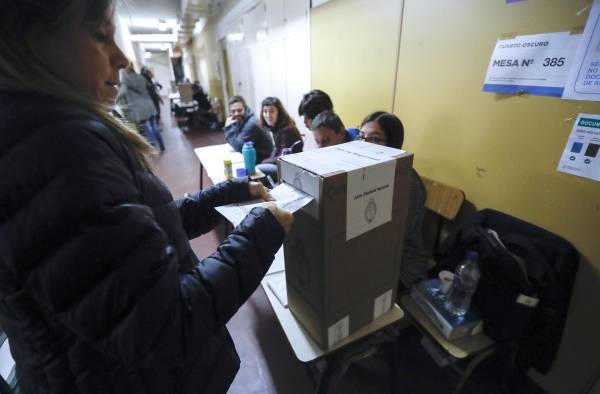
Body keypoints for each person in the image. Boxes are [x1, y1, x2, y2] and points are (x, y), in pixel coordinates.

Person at [0, 2, 294, 393]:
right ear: (35, 42)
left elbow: (135, 231)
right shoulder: (56, 149)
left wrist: (229, 193)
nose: (121, 58)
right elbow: (165, 328)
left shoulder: (36, 135)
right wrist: (263, 231)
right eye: (102, 36)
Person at [359, 111, 429, 288]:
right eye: (361, 137)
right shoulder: (369, 172)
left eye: (374, 139)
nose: (364, 145)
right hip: (376, 255)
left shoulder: (408, 183)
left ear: (393, 144)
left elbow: (391, 238)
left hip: (403, 264)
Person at [118, 63, 165, 151]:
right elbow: (150, 88)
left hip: (139, 109)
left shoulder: (125, 81)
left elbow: (121, 94)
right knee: (154, 126)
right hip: (149, 104)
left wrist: (113, 101)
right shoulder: (142, 78)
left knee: (147, 128)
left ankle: (153, 147)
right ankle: (162, 145)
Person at [256, 97, 303, 182]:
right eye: (265, 111)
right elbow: (276, 149)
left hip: (292, 169)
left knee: (258, 169)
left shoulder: (287, 130)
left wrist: (265, 162)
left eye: (272, 111)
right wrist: (267, 161)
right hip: (283, 165)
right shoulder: (276, 126)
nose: (268, 115)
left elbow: (283, 157)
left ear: (279, 112)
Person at [224, 95, 274, 162]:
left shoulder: (252, 123)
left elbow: (239, 147)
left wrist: (228, 128)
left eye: (239, 110)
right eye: (233, 111)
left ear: (245, 108)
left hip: (264, 160)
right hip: (253, 156)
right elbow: (233, 140)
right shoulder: (239, 118)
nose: (236, 113)